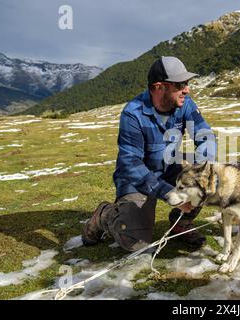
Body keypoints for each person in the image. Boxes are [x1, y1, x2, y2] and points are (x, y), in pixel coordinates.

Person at [81, 56, 216, 252]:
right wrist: (168, 193)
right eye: (180, 84)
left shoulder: (185, 104)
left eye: (187, 83)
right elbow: (131, 164)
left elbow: (206, 137)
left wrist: (204, 169)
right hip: (137, 180)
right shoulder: (132, 114)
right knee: (136, 242)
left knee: (206, 175)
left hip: (169, 167)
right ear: (159, 87)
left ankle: (181, 224)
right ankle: (104, 214)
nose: (187, 89)